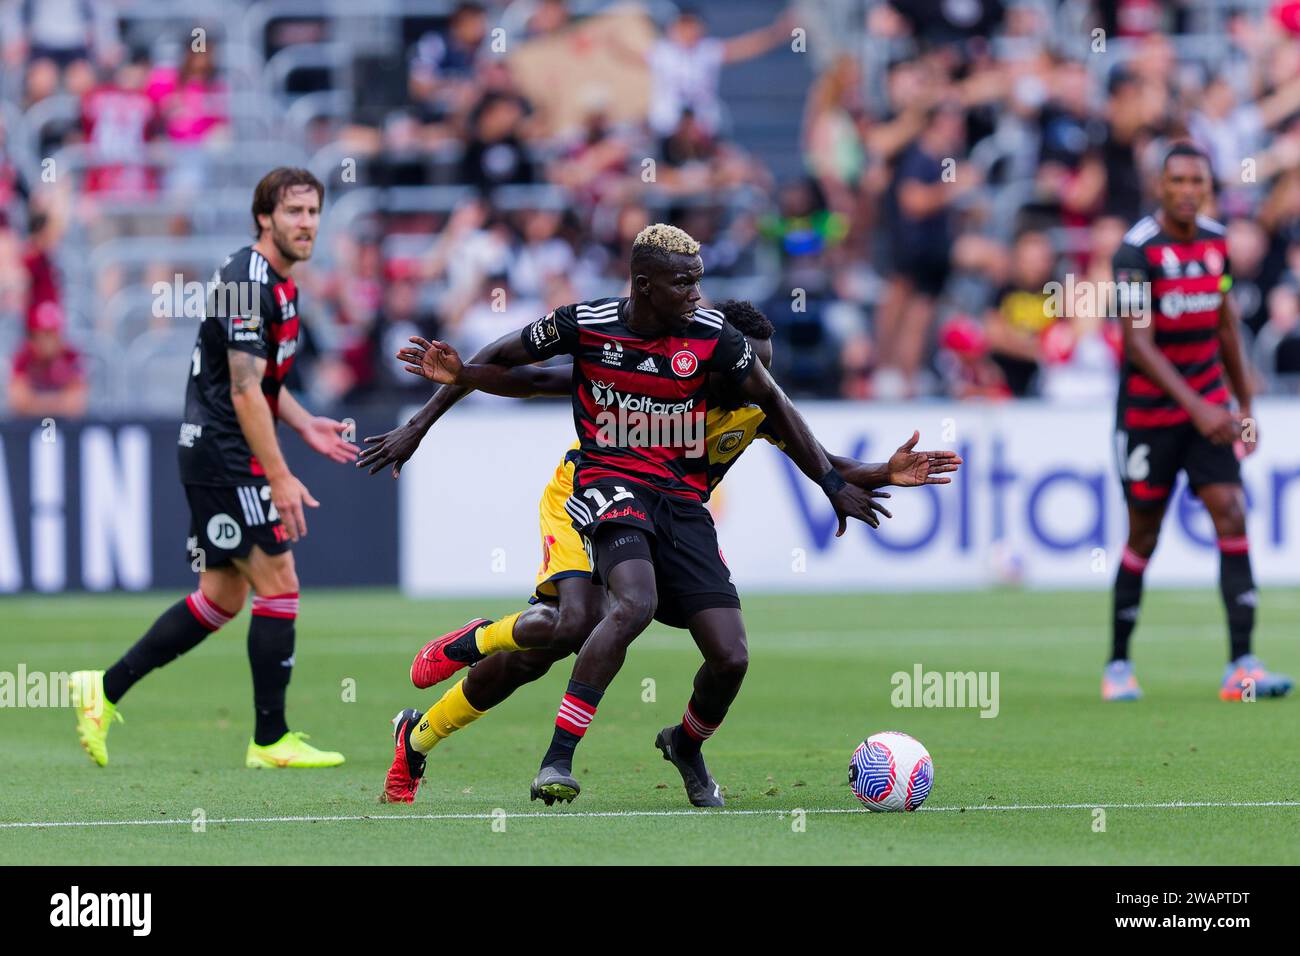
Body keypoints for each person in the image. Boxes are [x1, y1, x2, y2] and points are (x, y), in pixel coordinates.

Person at [362, 300, 959, 804]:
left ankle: (420, 735)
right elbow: (529, 378)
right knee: (571, 626)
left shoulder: (754, 405)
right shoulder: (662, 375)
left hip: (669, 522)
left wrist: (884, 470)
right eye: (750, 369)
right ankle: (474, 652)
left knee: (691, 652)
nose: (759, 381)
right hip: (587, 493)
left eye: (766, 373)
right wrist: (425, 417)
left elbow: (824, 458)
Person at [67, 168, 360, 768]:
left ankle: (102, 689)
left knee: (222, 596)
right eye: (294, 212)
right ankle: (270, 739)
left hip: (222, 451)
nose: (306, 223)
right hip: (224, 455)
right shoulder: (245, 283)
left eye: (313, 212)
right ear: (264, 217)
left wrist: (304, 423)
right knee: (280, 581)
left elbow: (267, 385)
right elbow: (246, 391)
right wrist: (278, 475)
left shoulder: (280, 287)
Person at [1105, 142, 1292, 703]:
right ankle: (1118, 664)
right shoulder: (1135, 253)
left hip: (1208, 406)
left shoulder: (1216, 243)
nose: (1188, 191)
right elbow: (1138, 344)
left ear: (1208, 188)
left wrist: (1244, 404)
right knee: (1145, 531)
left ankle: (1242, 665)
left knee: (1231, 513)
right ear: (1160, 186)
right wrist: (1202, 409)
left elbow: (1225, 323)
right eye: (1178, 181)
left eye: (1198, 183)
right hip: (1149, 416)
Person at [7, 301, 87, 418]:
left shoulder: (70, 356)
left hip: (64, 429)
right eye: (44, 334)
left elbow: (76, 404)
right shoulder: (23, 357)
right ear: (34, 336)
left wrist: (35, 403)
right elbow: (19, 402)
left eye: (53, 333)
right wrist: (59, 403)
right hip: (28, 429)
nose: (48, 341)